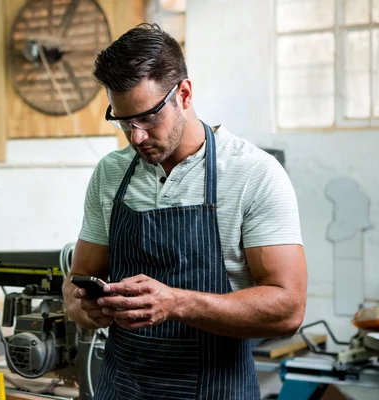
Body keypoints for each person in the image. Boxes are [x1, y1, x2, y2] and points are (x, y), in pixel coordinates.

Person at [62, 23, 307, 399]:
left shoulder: (253, 174)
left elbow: (288, 309)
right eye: (124, 121)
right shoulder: (110, 174)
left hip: (216, 389)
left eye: (147, 117)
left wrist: (178, 303)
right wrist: (83, 309)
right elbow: (77, 280)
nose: (137, 136)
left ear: (185, 94)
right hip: (122, 388)